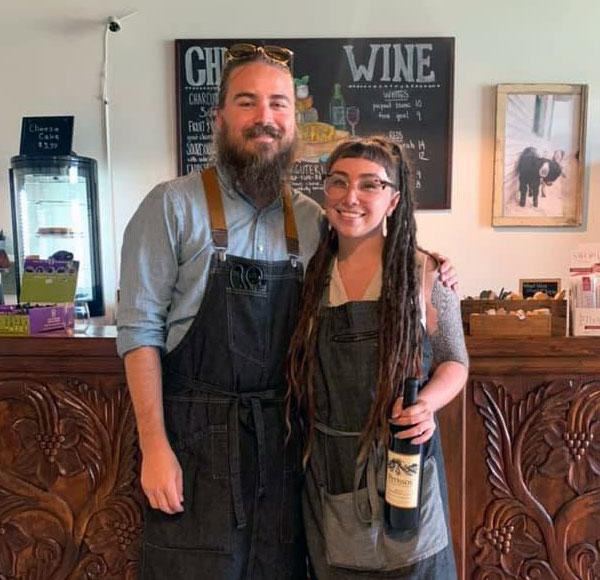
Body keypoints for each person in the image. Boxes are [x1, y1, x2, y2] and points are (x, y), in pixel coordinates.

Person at [117, 44, 459, 580]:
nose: (265, 119)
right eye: (248, 103)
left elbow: (374, 247)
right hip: (194, 449)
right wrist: (154, 446)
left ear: (294, 120)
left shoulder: (311, 219)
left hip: (286, 454)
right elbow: (138, 331)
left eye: (278, 105)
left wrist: (431, 266)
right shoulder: (171, 205)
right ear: (221, 116)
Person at [287, 136, 469, 579]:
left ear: (393, 200)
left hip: (405, 470)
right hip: (329, 473)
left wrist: (427, 404)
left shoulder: (423, 273)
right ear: (325, 192)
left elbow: (454, 361)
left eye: (370, 185)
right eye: (339, 182)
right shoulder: (306, 273)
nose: (351, 197)